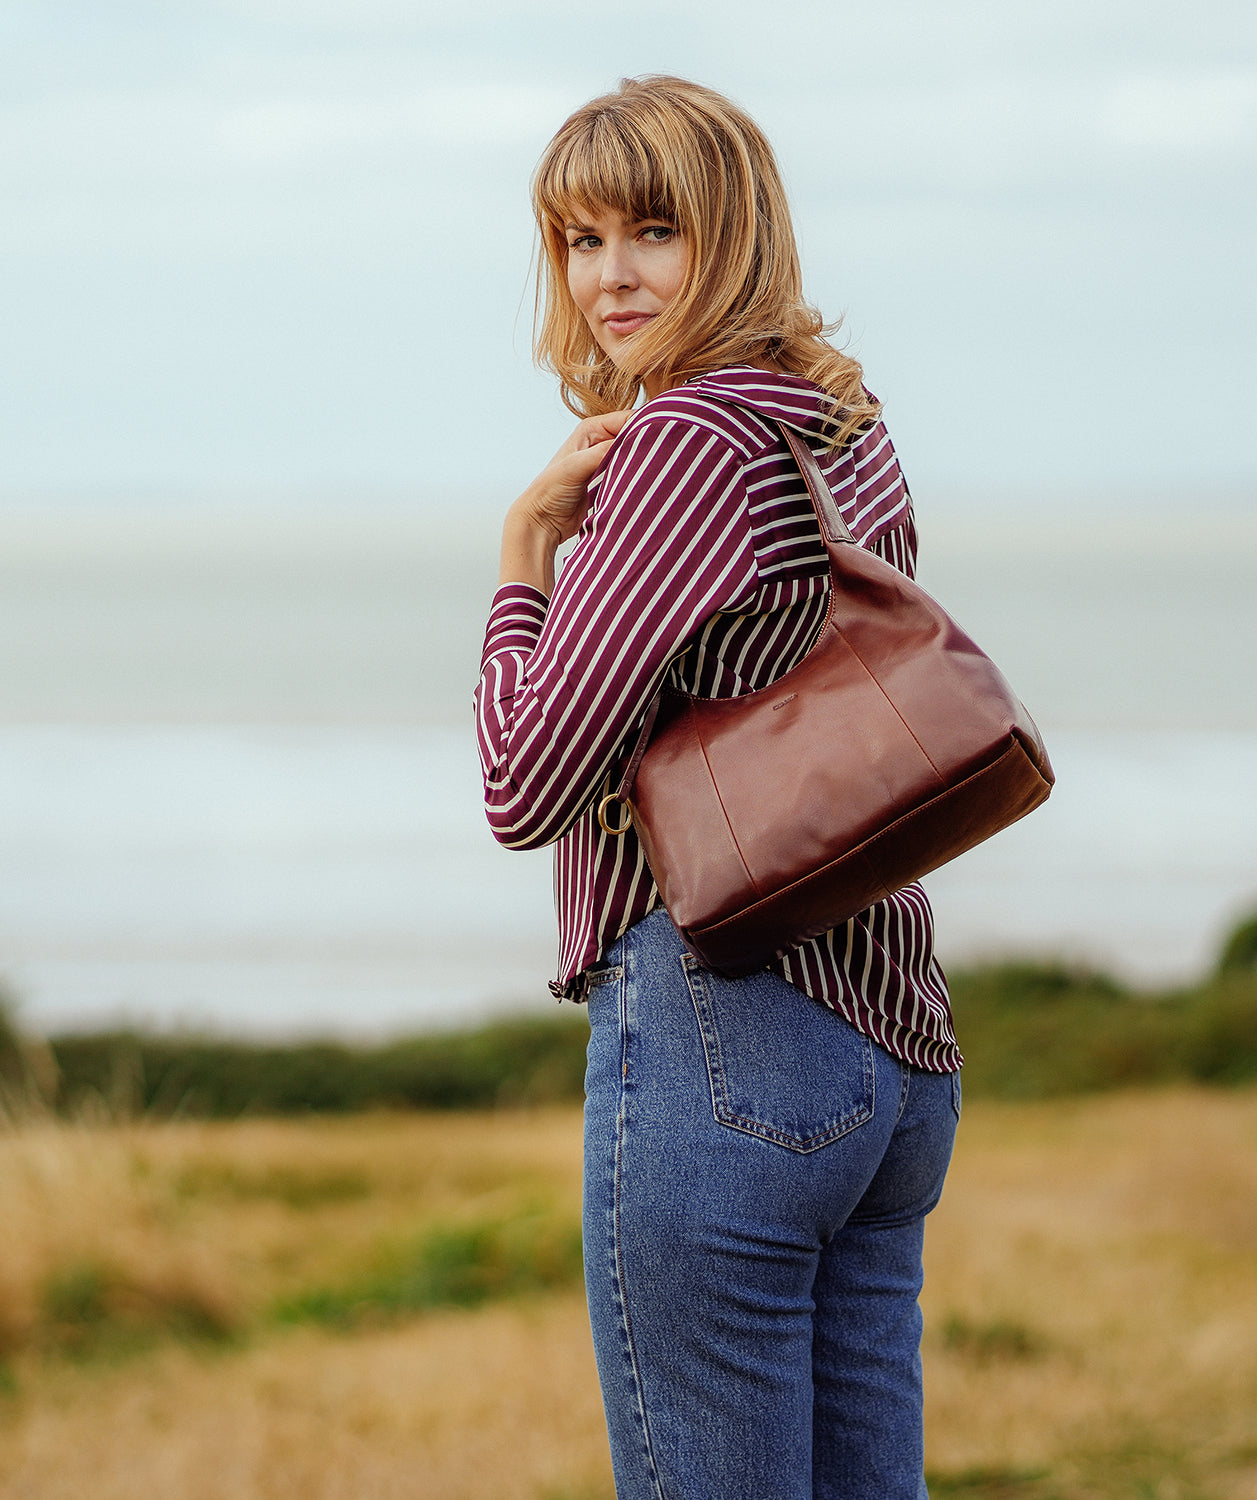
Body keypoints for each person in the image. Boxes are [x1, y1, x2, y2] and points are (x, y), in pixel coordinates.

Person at [475, 75, 962, 1500]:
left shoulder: (686, 444)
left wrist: (522, 557)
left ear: (733, 231)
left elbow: (524, 785)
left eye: (653, 231)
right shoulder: (837, 420)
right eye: (580, 241)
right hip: (888, 1040)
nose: (610, 278)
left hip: (727, 1032)